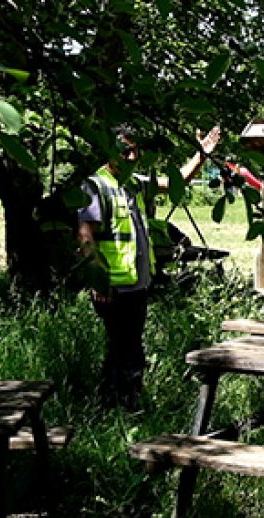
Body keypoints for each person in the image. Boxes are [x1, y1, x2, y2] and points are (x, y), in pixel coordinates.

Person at [76, 124, 221, 410]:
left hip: (136, 284)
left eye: (135, 150)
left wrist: (201, 155)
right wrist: (99, 280)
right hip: (113, 287)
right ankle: (124, 407)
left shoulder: (134, 183)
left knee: (125, 348)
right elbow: (85, 236)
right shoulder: (96, 185)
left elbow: (177, 182)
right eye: (126, 151)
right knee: (126, 350)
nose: (133, 157)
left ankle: (112, 405)